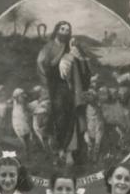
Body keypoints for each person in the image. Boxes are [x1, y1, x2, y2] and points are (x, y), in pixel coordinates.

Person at [36, 21, 91, 165]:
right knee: (58, 117)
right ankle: (57, 150)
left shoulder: (70, 47)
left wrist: (76, 55)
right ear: (57, 30)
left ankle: (69, 151)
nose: (65, 32)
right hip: (53, 86)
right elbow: (42, 66)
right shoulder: (48, 48)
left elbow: (81, 65)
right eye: (62, 29)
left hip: (69, 87)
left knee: (71, 116)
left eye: (68, 30)